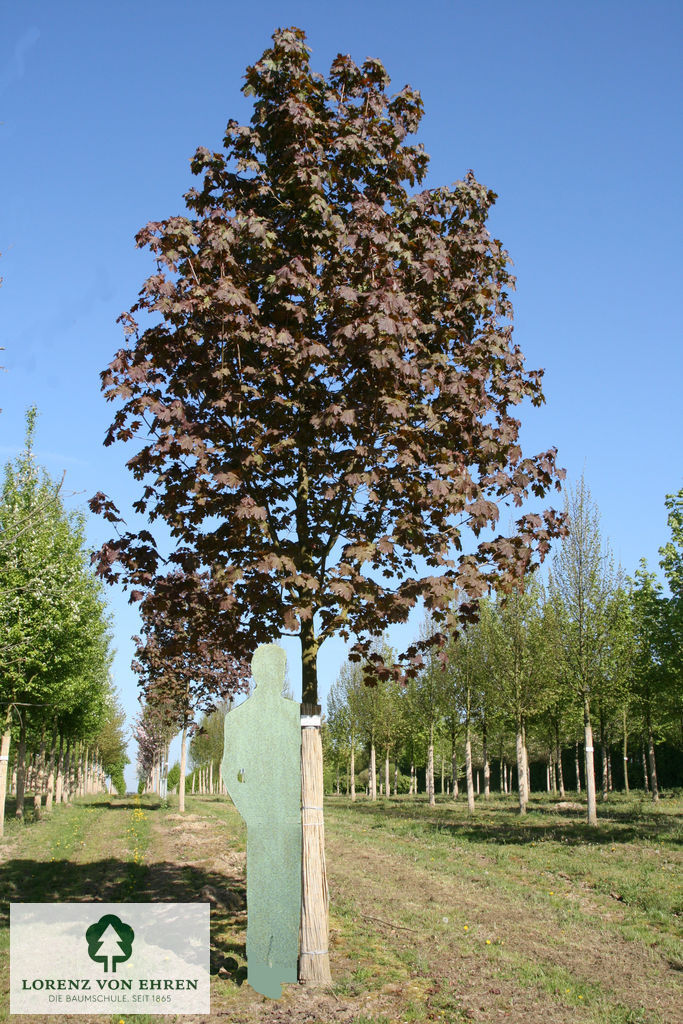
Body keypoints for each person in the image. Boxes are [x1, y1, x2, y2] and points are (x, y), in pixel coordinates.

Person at [221, 644, 301, 999]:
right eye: (269, 667)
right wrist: (251, 809)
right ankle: (259, 964)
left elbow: (310, 761)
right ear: (255, 672)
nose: (274, 674)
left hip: (290, 818)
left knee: (287, 889)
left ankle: (283, 961)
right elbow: (228, 770)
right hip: (264, 818)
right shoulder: (237, 718)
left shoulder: (297, 714)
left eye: (279, 667)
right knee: (262, 889)